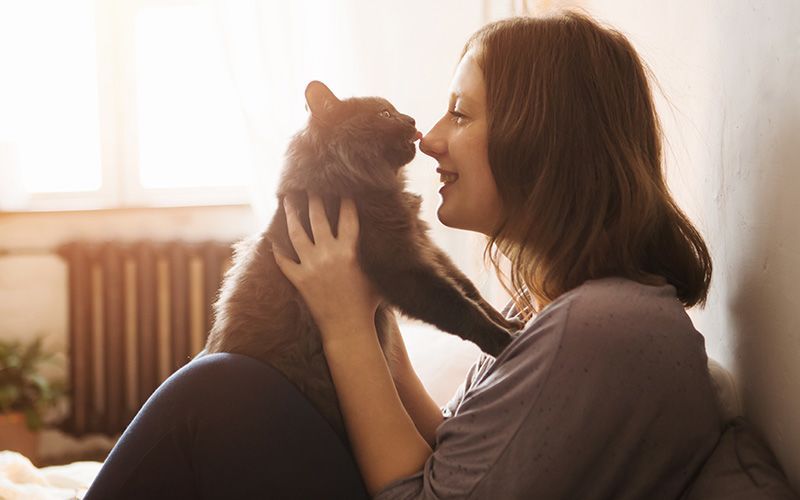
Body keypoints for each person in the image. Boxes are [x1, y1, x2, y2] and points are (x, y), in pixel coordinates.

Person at [85, 10, 723, 500]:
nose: (432, 137)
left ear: (543, 142)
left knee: (213, 390)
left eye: (461, 115)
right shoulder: (576, 313)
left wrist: (343, 325)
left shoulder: (595, 327)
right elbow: (456, 446)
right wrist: (365, 314)